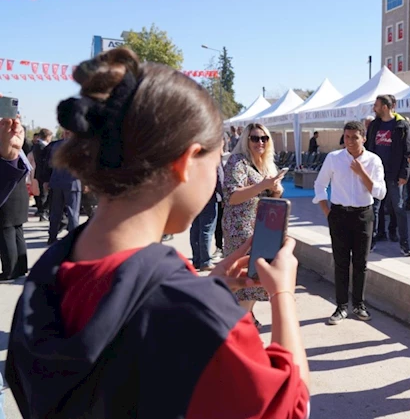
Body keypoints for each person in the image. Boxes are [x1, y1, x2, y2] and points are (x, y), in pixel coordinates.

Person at [5, 47, 309, 418]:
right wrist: (282, 293)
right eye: (215, 161)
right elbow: (292, 407)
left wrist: (205, 288)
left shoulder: (49, 270)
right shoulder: (193, 312)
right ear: (186, 162)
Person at [314, 121, 386, 325]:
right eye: (347, 137)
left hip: (363, 215)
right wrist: (327, 212)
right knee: (341, 262)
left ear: (364, 138)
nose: (350, 141)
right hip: (339, 214)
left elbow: (380, 192)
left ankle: (359, 304)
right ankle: (341, 306)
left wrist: (362, 172)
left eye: (355, 137)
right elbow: (320, 185)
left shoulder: (373, 160)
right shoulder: (334, 158)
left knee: (361, 263)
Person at [223, 123, 285, 327]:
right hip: (240, 229)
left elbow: (269, 198)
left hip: (261, 229)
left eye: (264, 138)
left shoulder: (265, 164)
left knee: (255, 280)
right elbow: (232, 196)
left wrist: (275, 190)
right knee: (244, 280)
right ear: (246, 140)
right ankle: (239, 324)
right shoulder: (238, 161)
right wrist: (262, 185)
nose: (260, 142)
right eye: (255, 138)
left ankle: (246, 317)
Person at [366, 94, 410, 257]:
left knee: (399, 209)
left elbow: (408, 151)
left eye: (376, 105)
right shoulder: (374, 125)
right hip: (375, 175)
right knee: (374, 209)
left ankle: (404, 244)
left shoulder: (401, 125)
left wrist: (404, 174)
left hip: (394, 175)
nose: (374, 108)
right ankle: (371, 242)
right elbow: (368, 148)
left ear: (385, 107)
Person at [0, 111, 31, 281]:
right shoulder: (20, 151)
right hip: (19, 195)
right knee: (17, 231)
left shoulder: (7, 145)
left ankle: (10, 270)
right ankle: (20, 267)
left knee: (6, 232)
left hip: (8, 197)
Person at [42, 130, 83, 245]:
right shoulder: (78, 146)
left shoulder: (55, 146)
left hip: (56, 181)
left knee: (55, 212)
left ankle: (52, 236)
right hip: (73, 182)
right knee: (73, 212)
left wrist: (47, 180)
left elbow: (49, 164)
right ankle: (73, 239)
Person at [191, 156, 224, 271]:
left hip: (193, 196)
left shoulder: (193, 157)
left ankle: (196, 260)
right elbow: (219, 179)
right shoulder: (212, 157)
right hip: (208, 196)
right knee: (206, 230)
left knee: (195, 229)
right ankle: (205, 262)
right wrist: (224, 196)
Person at [32, 128, 53, 220]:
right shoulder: (42, 147)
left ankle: (42, 211)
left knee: (43, 194)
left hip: (40, 172)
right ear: (47, 136)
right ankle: (43, 212)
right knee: (45, 194)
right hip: (44, 173)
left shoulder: (37, 145)